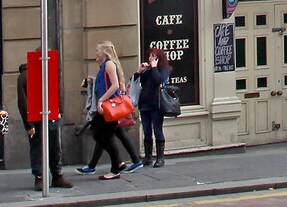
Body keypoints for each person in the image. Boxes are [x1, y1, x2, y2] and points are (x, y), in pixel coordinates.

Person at [15, 52, 73, 188]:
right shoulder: (24, 76)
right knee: (38, 148)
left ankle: (57, 175)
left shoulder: (49, 73)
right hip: (36, 120)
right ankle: (39, 176)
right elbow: (23, 103)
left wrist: (58, 111)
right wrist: (28, 125)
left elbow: (57, 93)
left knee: (55, 148)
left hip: (52, 116)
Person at [83, 41, 141, 178]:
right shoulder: (104, 66)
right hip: (107, 107)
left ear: (104, 52)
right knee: (101, 135)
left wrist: (101, 100)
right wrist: (91, 81)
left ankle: (116, 168)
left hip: (109, 107)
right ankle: (118, 164)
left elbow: (114, 85)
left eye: (97, 50)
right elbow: (107, 83)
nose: (96, 53)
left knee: (102, 136)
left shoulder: (109, 64)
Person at [134, 44, 172, 170]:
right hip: (144, 104)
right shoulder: (148, 69)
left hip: (156, 104)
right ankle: (148, 156)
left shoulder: (163, 69)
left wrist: (155, 68)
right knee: (146, 131)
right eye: (150, 56)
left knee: (157, 129)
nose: (150, 58)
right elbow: (135, 82)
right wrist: (139, 71)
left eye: (153, 56)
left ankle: (160, 157)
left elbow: (159, 80)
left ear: (159, 58)